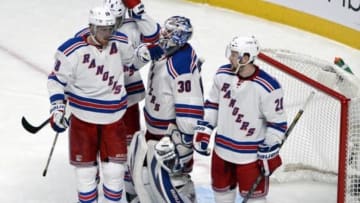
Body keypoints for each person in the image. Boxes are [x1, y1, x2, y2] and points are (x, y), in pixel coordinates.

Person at [47, 6, 146, 203]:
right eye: (102, 29)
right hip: (83, 121)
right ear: (91, 27)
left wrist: (144, 55)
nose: (107, 34)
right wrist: (58, 107)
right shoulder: (72, 50)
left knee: (115, 171)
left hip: (115, 118)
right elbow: (56, 80)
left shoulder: (121, 43)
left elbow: (133, 63)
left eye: (110, 29)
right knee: (86, 174)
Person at [74, 0, 163, 201]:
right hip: (98, 100)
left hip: (126, 96)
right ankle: (93, 179)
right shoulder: (89, 32)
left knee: (130, 146)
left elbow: (154, 36)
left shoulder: (133, 27)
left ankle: (132, 189)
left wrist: (139, 11)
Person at [192, 36, 288, 203]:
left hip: (250, 158)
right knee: (221, 196)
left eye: (235, 54)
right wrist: (206, 128)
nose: (230, 57)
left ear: (247, 57)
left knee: (255, 200)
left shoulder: (268, 87)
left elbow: (278, 124)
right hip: (221, 151)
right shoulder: (222, 75)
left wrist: (269, 146)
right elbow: (213, 103)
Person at [127, 15, 204, 202]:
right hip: (153, 130)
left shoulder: (181, 65)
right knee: (143, 174)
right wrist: (140, 55)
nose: (163, 33)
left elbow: (190, 111)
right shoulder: (165, 50)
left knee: (174, 180)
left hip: (168, 136)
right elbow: (134, 62)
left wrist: (182, 147)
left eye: (169, 31)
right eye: (165, 29)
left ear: (179, 37)